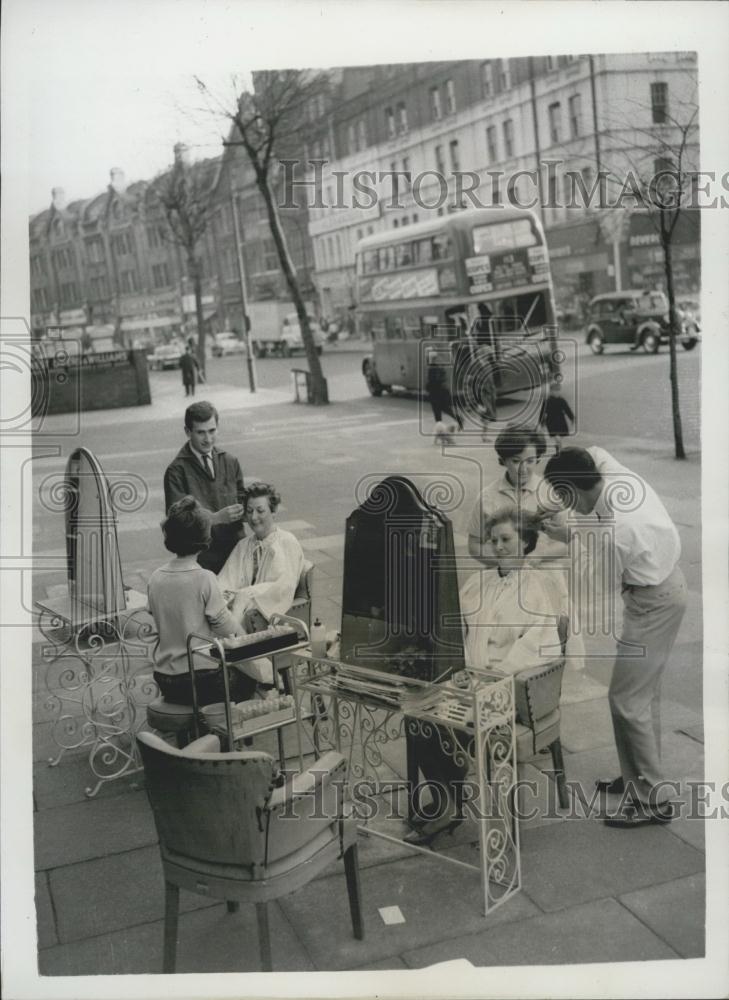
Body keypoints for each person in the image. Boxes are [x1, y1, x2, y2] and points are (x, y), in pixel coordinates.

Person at [543, 446, 687, 827]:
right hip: (661, 588)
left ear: (572, 490)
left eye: (562, 496)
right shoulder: (613, 476)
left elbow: (597, 584)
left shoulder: (617, 531)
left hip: (653, 602)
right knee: (638, 697)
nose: (561, 504)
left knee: (626, 700)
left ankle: (654, 802)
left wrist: (568, 532)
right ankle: (638, 778)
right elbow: (595, 451)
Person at [406, 510, 562, 845]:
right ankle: (448, 800)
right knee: (417, 713)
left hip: (508, 685)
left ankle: (467, 809)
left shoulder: (537, 589)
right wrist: (451, 665)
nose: (499, 547)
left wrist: (493, 677)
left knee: (451, 720)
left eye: (507, 540)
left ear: (526, 542)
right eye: (494, 540)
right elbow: (452, 627)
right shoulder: (480, 582)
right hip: (466, 678)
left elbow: (541, 645)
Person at [147, 496, 256, 707]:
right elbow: (228, 631)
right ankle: (224, 733)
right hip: (200, 680)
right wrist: (240, 606)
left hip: (164, 678)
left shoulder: (155, 578)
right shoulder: (204, 578)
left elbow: (162, 614)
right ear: (204, 538)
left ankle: (197, 731)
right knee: (250, 677)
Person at [216, 482, 305, 686]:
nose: (254, 517)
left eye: (260, 510)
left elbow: (283, 586)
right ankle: (260, 676)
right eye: (249, 511)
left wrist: (244, 596)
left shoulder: (287, 542)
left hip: (268, 617)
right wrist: (225, 597)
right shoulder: (244, 545)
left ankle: (261, 677)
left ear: (273, 511)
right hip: (241, 613)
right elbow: (225, 580)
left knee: (226, 634)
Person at [163, 401, 246, 574]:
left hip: (236, 554)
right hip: (201, 562)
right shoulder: (176, 471)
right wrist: (215, 518)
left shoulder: (230, 461)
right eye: (200, 432)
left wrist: (256, 508)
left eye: (212, 431)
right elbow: (177, 522)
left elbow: (242, 499)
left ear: (218, 427)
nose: (208, 439)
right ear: (187, 432)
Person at [466, 426, 566, 565]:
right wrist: (503, 562)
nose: (523, 469)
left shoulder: (552, 493)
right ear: (503, 460)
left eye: (530, 461)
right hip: (500, 576)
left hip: (543, 573)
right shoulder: (486, 496)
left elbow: (567, 541)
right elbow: (474, 545)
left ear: (538, 459)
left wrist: (539, 555)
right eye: (516, 461)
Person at [425, 346, 463, 445]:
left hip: (436, 393)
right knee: (445, 410)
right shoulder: (437, 365)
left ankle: (444, 436)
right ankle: (456, 421)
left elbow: (435, 381)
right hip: (441, 392)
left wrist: (428, 386)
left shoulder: (433, 367)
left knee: (438, 417)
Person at [539, 381, 575, 455]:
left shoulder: (561, 400)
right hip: (551, 422)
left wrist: (572, 418)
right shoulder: (547, 401)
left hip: (561, 421)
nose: (557, 393)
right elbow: (543, 413)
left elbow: (567, 409)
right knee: (557, 438)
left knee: (560, 438)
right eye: (555, 391)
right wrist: (541, 422)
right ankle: (559, 451)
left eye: (558, 391)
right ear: (551, 391)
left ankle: (559, 449)